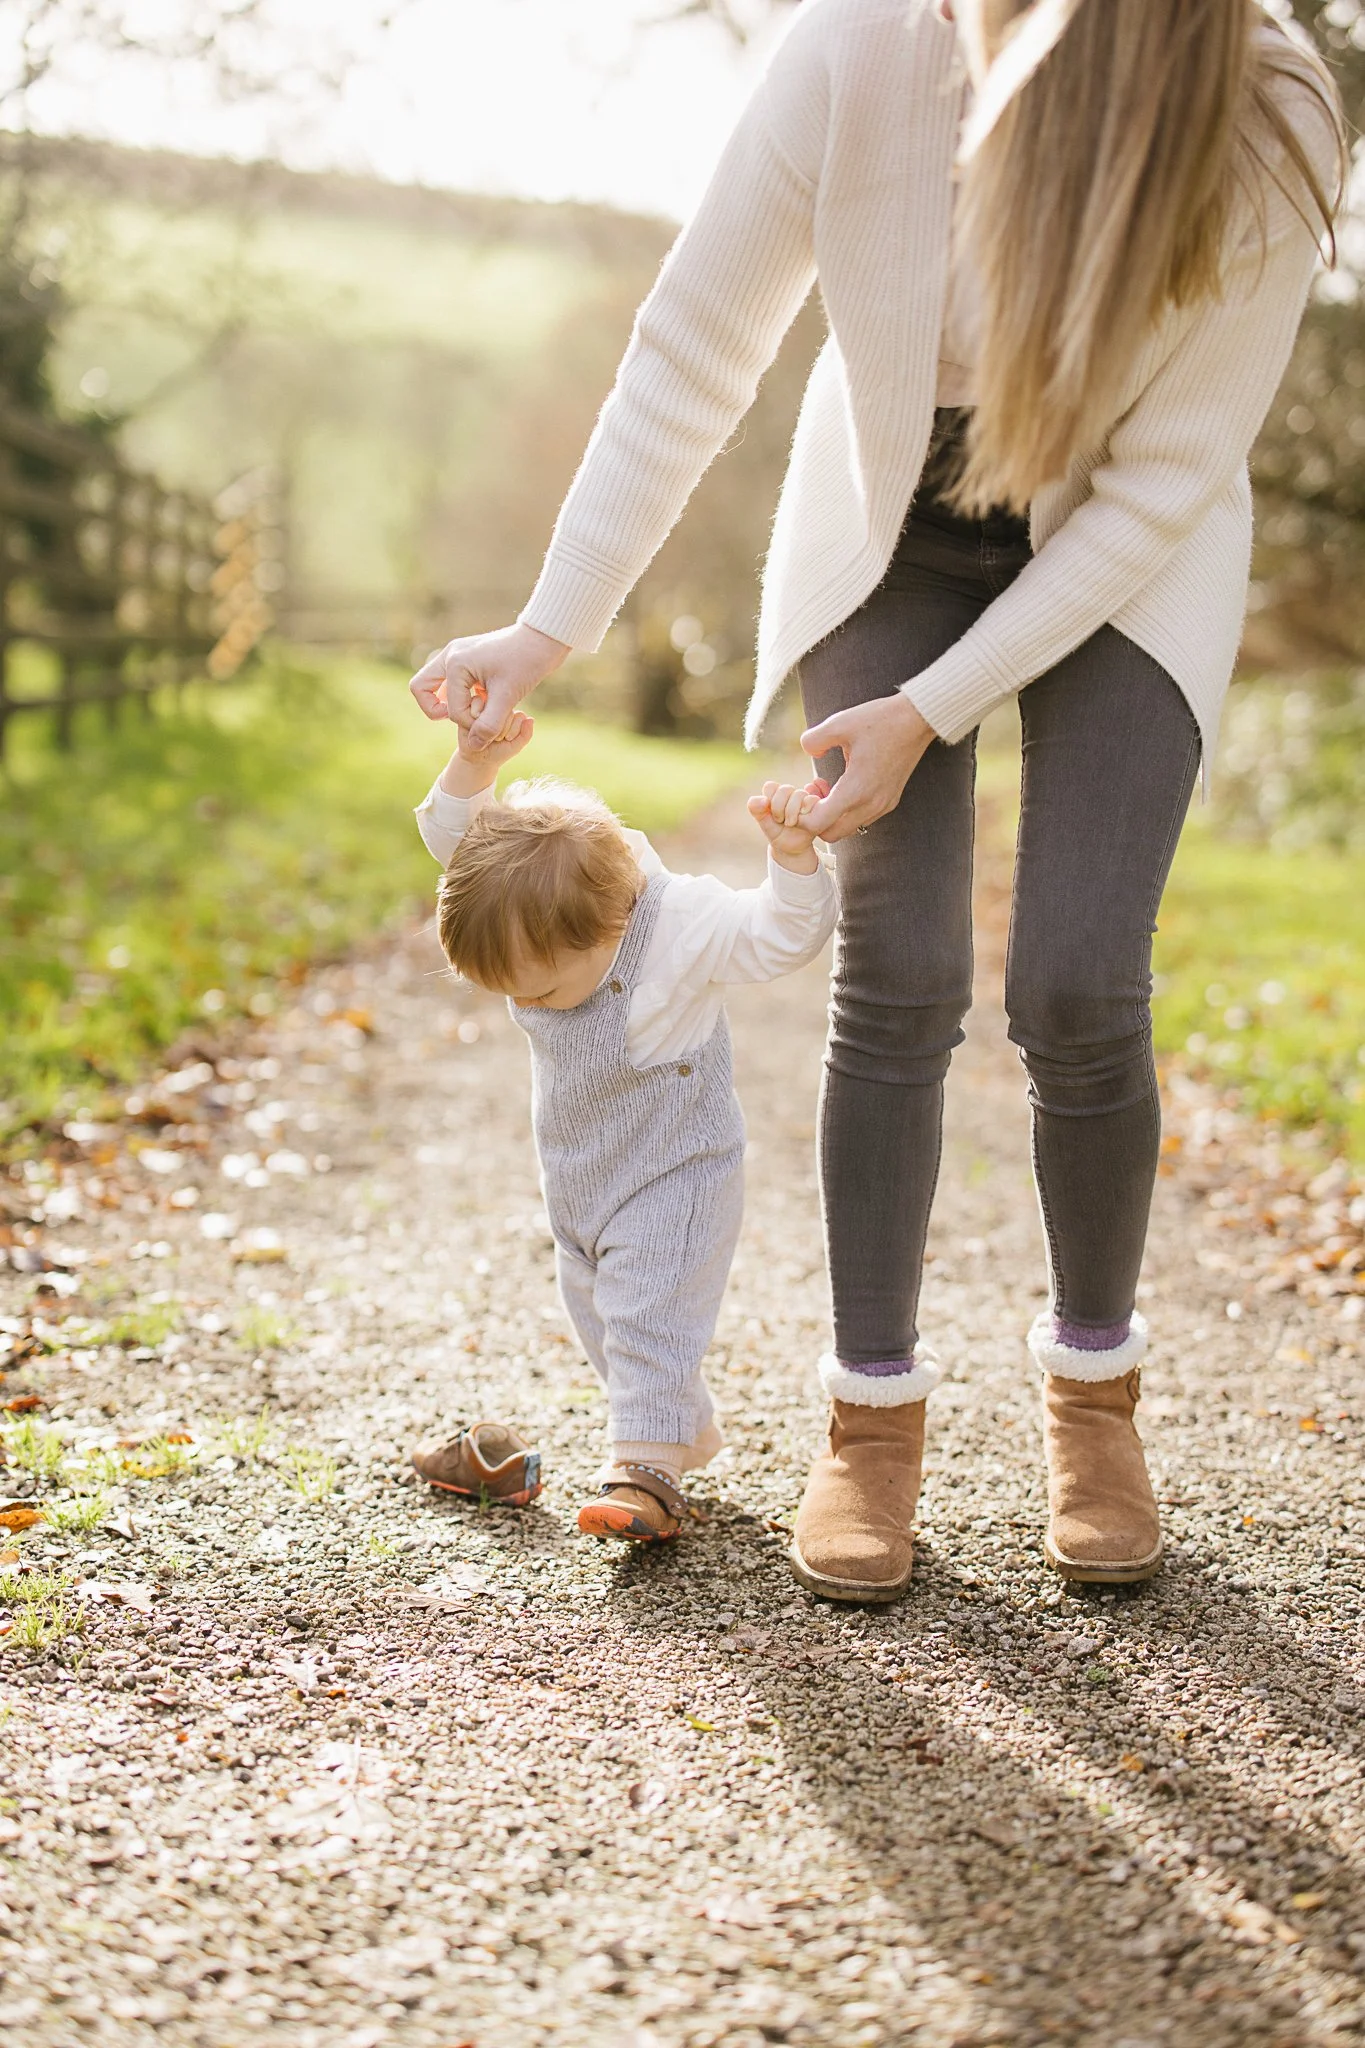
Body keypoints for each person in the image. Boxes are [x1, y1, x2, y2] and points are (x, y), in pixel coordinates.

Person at [410, 0, 1345, 1600]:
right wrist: (548, 624)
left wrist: (930, 712)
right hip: (891, 530)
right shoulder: (858, 46)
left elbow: (1164, 486)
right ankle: (872, 1417)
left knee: (1074, 985)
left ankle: (1095, 1396)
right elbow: (696, 343)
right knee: (897, 973)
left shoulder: (1265, 108)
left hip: (1128, 550)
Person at [409, 708, 837, 1542]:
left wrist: (793, 863)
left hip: (679, 1168)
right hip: (579, 1176)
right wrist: (469, 764)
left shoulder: (675, 927)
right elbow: (452, 836)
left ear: (606, 933)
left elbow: (781, 936)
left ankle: (644, 1471)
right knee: (602, 1310)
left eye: (538, 990)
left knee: (645, 1308)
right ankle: (673, 1430)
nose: (525, 1007)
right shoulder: (526, 898)